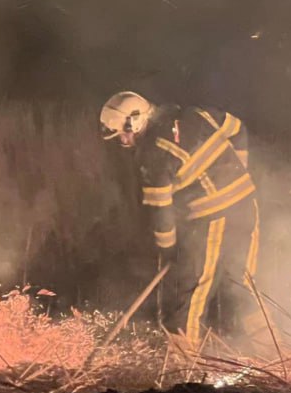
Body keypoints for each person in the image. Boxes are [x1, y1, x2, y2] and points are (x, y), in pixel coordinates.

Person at [99, 91, 259, 347]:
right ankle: (271, 349)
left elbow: (161, 213)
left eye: (122, 133)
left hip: (214, 218)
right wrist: (239, 171)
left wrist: (169, 250)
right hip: (247, 205)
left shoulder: (152, 156)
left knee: (191, 289)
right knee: (241, 283)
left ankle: (181, 367)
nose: (123, 140)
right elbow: (238, 128)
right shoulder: (196, 114)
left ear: (136, 121)